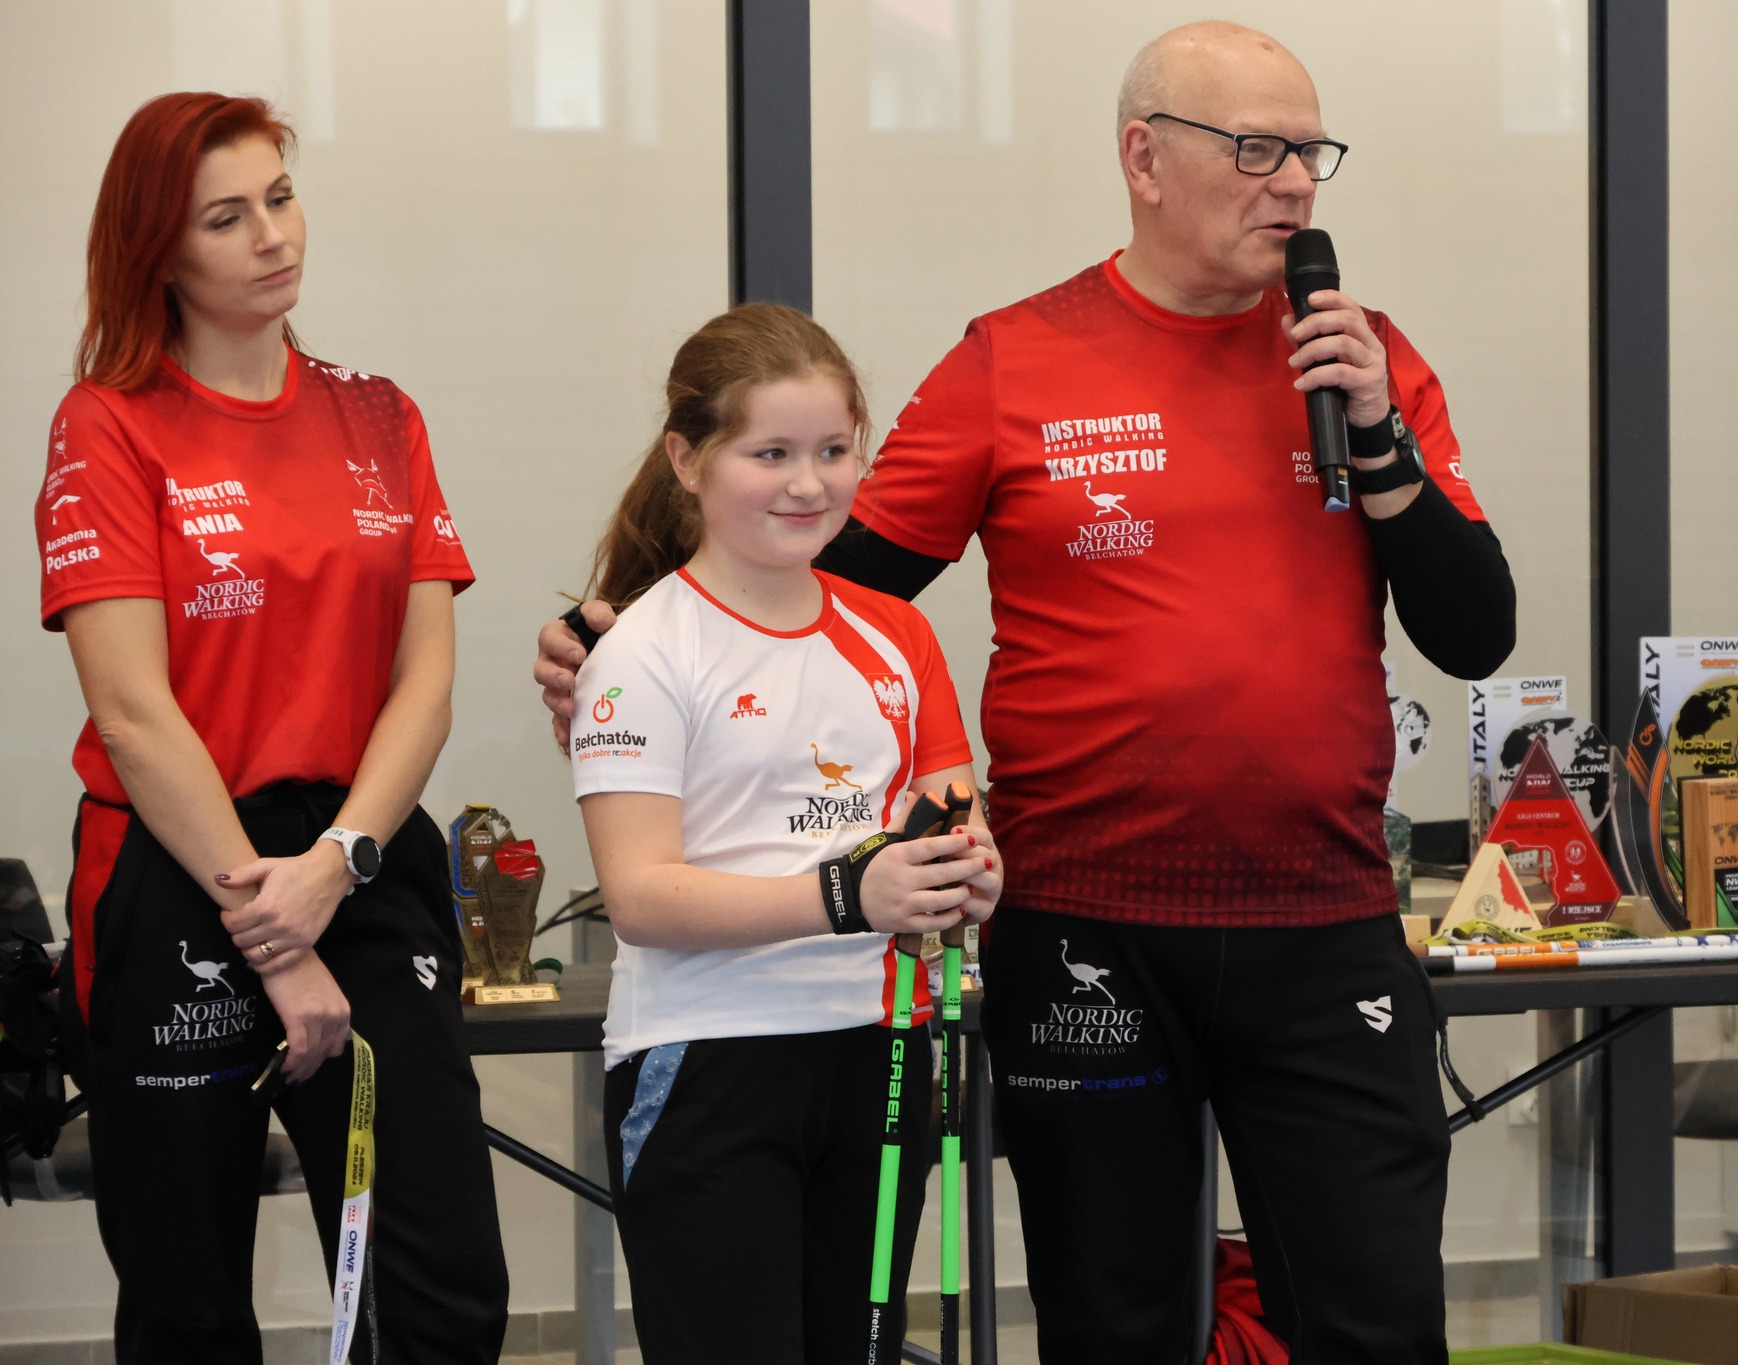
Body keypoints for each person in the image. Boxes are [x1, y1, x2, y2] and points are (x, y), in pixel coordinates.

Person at [538, 22, 1515, 1364]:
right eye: (1256, 150)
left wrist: (1381, 439)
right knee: (1111, 1322)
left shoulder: (1364, 363)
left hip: (1321, 915)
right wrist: (630, 643)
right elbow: (816, 577)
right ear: (1144, 159)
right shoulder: (1016, 359)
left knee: (1375, 1318)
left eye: (1310, 152)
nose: (1294, 183)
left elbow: (1475, 634)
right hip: (1084, 925)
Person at [37, 93, 507, 1362]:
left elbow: (424, 683)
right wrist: (276, 933)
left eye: (281, 198)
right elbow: (134, 713)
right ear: (159, 252)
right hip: (182, 861)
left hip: (360, 850)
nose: (271, 236)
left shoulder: (379, 414)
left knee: (444, 1279)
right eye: (226, 217)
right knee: (187, 1298)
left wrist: (339, 865)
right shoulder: (109, 423)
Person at [566, 303, 1004, 1364]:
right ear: (688, 459)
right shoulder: (643, 650)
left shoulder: (895, 630)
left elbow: (954, 816)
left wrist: (966, 873)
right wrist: (849, 894)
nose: (809, 484)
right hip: (707, 1058)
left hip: (877, 1051)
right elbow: (640, 895)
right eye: (770, 454)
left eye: (833, 451)